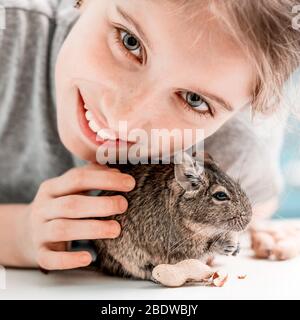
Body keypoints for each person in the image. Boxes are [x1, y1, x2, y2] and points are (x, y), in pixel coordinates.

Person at [0, 0, 299, 270]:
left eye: (194, 99)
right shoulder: (7, 39)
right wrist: (18, 233)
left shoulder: (235, 147)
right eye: (130, 42)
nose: (123, 120)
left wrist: (261, 233)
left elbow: (249, 215)